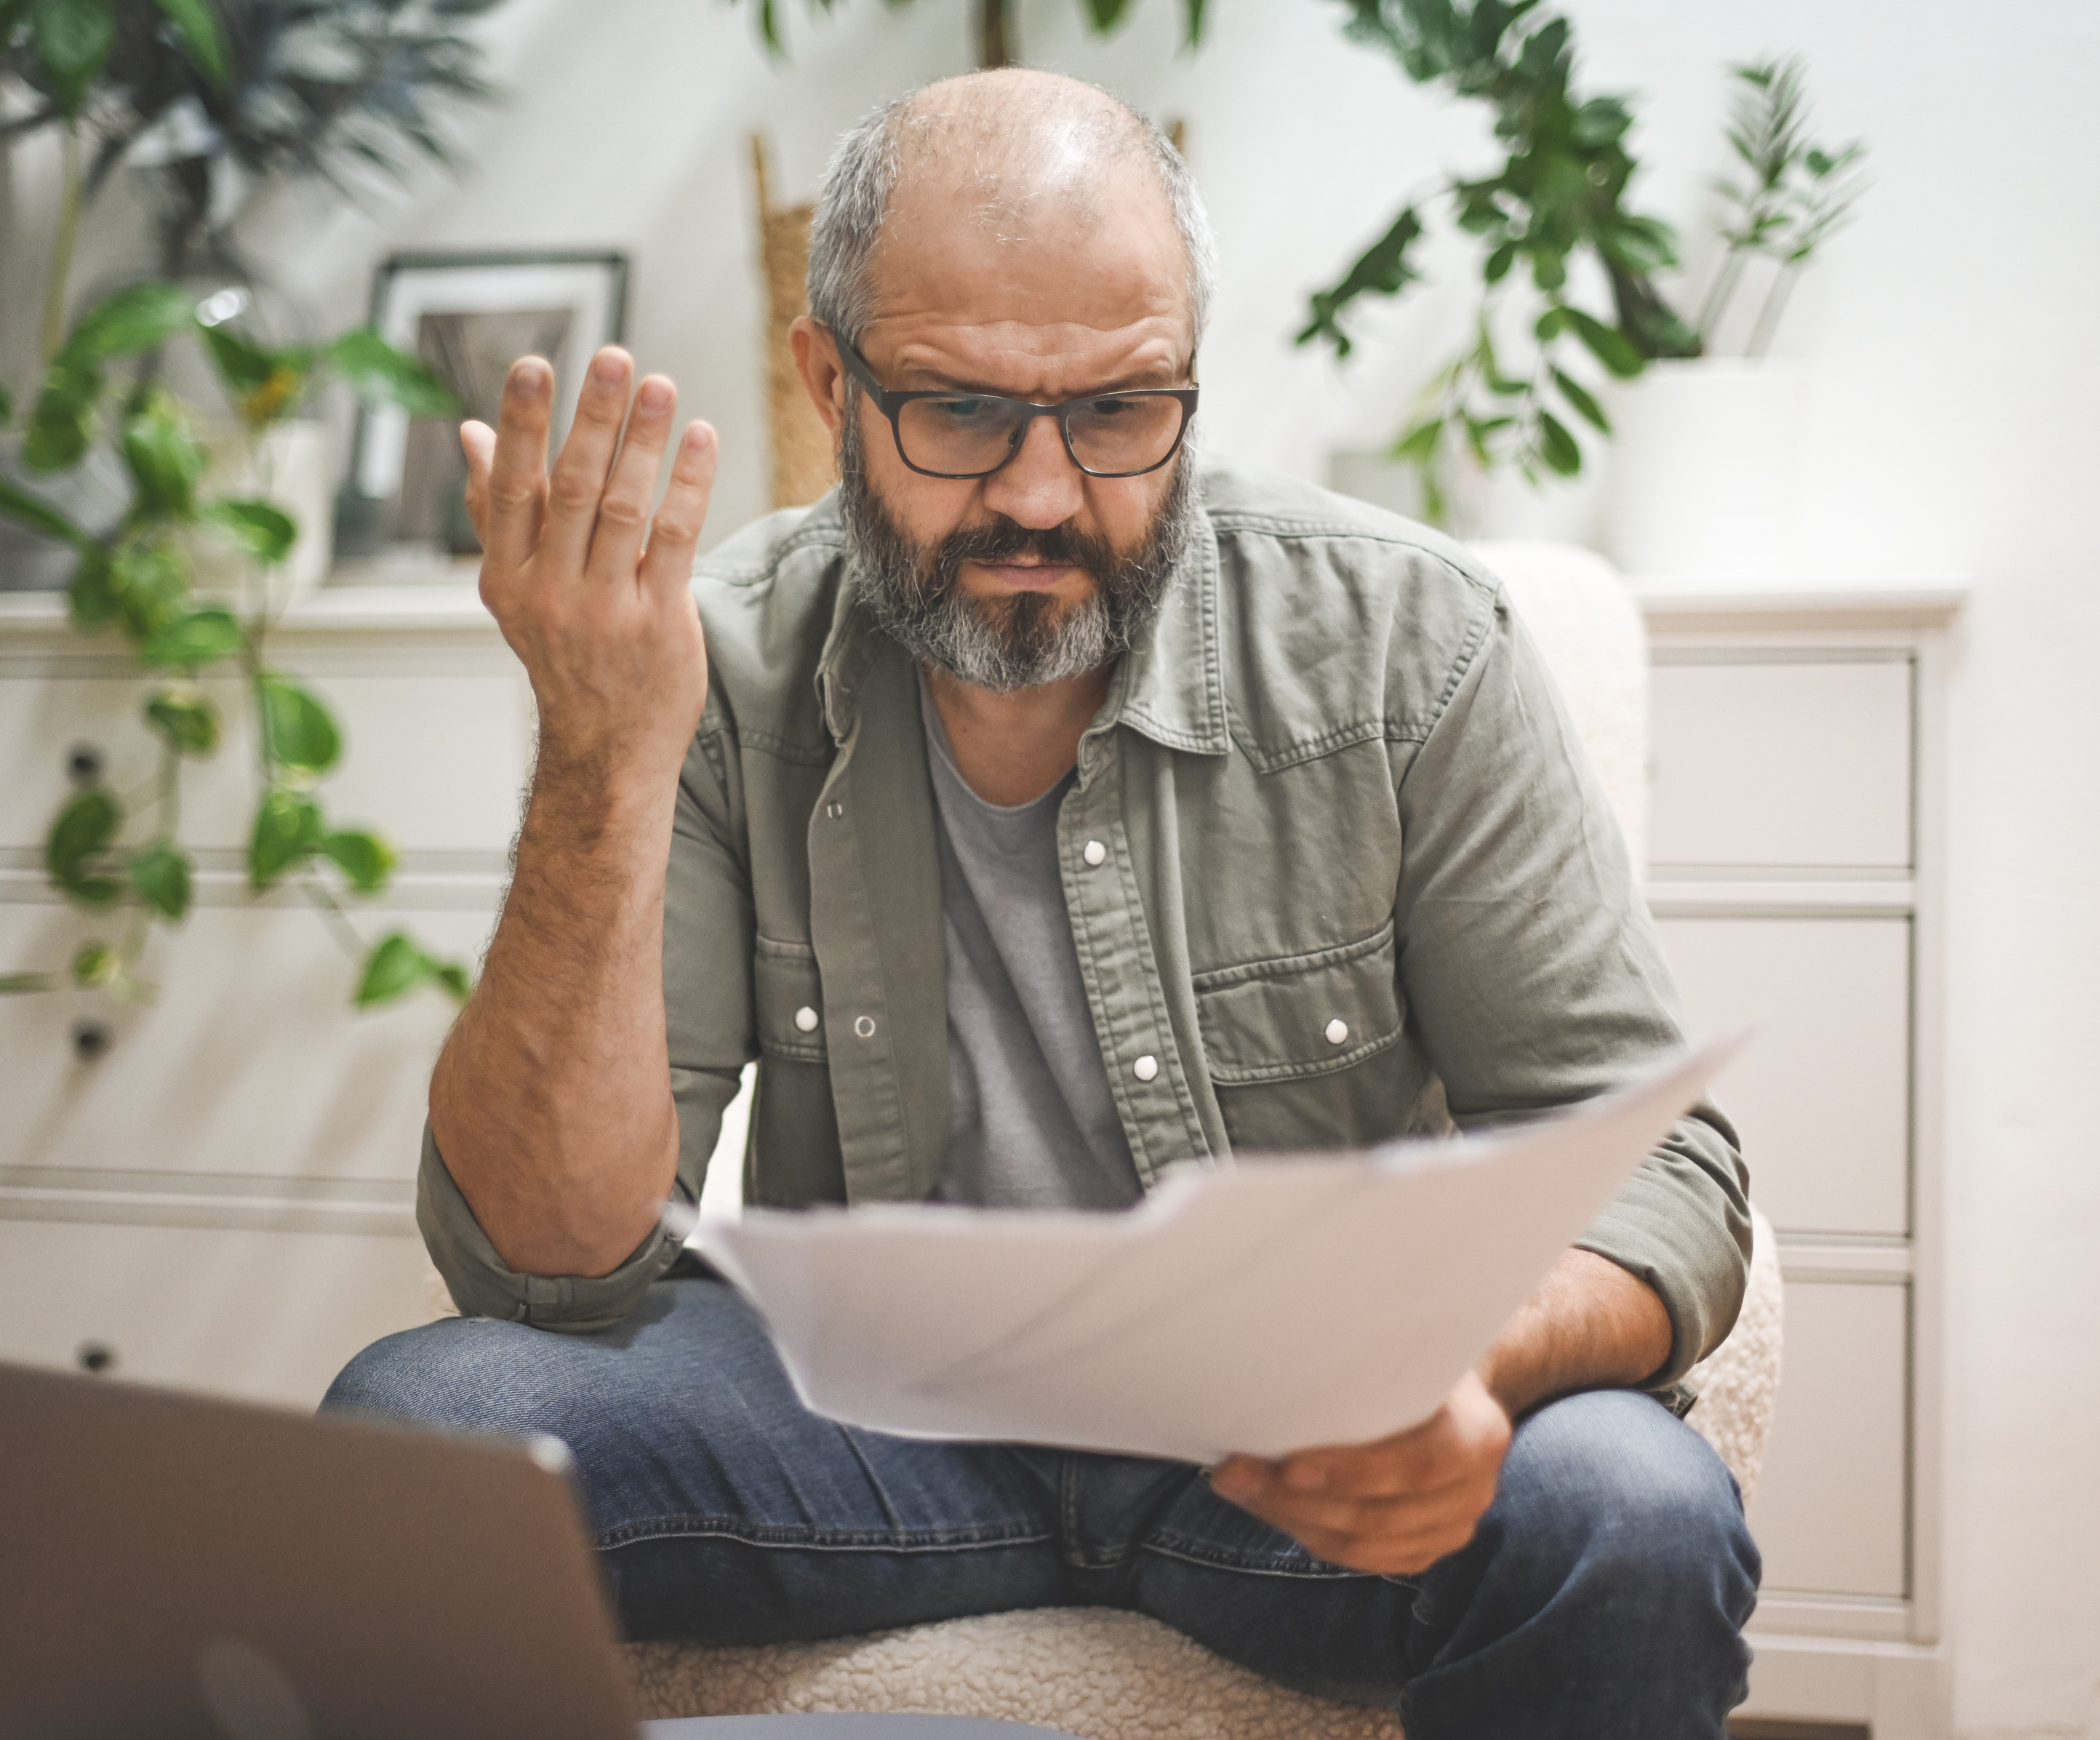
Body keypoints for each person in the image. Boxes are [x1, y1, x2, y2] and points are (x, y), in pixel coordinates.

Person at [325, 68, 1759, 1737]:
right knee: (422, 1434)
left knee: (1631, 1512)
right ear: (828, 383)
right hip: (868, 1422)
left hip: (1288, 1434)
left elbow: (1667, 1161)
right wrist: (599, 753)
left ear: (1190, 388)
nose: (1039, 494)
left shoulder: (1407, 648)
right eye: (959, 411)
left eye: (1118, 410)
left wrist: (1465, 1367)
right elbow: (549, 1266)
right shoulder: (710, 666)